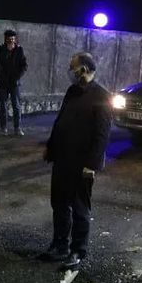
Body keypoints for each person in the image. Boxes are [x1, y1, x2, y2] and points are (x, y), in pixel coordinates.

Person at [41, 52, 112, 270]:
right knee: (59, 204)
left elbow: (102, 134)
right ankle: (59, 245)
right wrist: (51, 147)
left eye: (72, 68)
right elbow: (61, 120)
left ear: (83, 70)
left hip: (82, 164)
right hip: (62, 159)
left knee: (80, 208)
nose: (70, 72)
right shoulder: (72, 91)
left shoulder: (101, 96)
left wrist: (92, 165)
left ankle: (77, 251)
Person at [0, 29, 28, 136]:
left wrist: (18, 76)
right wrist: (7, 51)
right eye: (9, 39)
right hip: (3, 82)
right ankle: (3, 128)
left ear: (15, 39)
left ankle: (17, 128)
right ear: (5, 39)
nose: (11, 41)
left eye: (13, 39)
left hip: (14, 83)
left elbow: (24, 65)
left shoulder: (19, 50)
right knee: (3, 105)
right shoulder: (1, 49)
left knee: (16, 105)